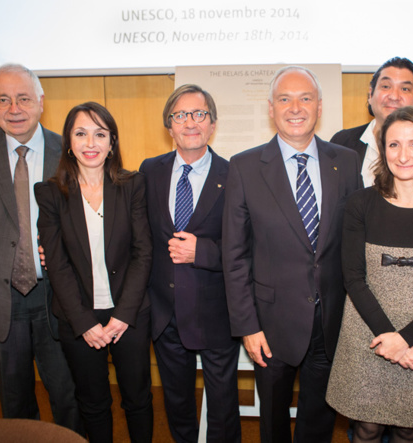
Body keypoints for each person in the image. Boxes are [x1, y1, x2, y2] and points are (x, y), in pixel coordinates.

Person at [223, 66, 362, 442]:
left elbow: (355, 242)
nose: (295, 107)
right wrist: (248, 326)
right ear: (271, 108)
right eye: (284, 99)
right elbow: (234, 256)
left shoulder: (346, 162)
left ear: (320, 106)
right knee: (272, 421)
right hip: (269, 323)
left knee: (319, 418)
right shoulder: (245, 166)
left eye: (305, 98)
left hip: (330, 318)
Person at [327, 106, 413, 443]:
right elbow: (353, 278)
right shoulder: (360, 204)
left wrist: (405, 339)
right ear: (382, 150)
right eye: (393, 145)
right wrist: (389, 338)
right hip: (368, 328)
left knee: (410, 426)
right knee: (367, 427)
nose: (403, 155)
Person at [0, 64, 81, 433]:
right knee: (15, 401)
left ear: (41, 102)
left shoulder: (70, 150)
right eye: (3, 100)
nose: (14, 109)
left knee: (68, 394)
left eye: (23, 98)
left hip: (58, 297)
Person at [35, 102, 153, 442]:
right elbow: (56, 264)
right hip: (78, 316)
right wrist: (84, 322)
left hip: (128, 313)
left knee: (138, 398)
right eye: (81, 133)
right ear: (68, 142)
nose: (91, 143)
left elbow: (143, 252)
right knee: (93, 402)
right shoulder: (50, 193)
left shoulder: (132, 185)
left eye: (100, 134)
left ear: (112, 142)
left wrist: (123, 316)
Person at [140, 85, 242, 443]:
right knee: (177, 402)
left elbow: (247, 245)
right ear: (170, 126)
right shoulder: (150, 171)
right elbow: (139, 237)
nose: (190, 123)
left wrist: (203, 252)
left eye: (199, 114)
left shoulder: (236, 175)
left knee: (223, 405)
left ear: (212, 124)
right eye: (181, 115)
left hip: (216, 311)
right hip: (165, 313)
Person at [330, 56, 413, 201]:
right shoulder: (342, 143)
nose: (394, 96)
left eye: (405, 89)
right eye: (385, 86)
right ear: (370, 95)